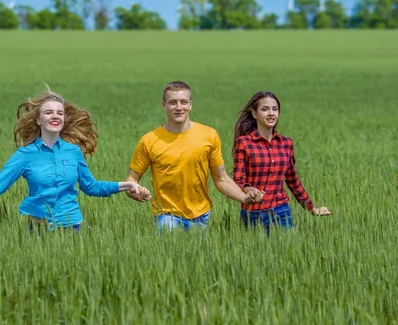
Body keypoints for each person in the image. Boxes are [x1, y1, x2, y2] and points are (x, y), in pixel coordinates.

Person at [0, 87, 150, 232]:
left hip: (72, 227)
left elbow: (91, 187)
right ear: (38, 120)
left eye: (60, 113)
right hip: (38, 229)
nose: (55, 116)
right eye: (48, 112)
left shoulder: (73, 152)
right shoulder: (24, 156)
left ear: (64, 119)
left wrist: (127, 185)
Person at [124, 81, 264, 234]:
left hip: (201, 216)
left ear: (190, 104)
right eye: (173, 102)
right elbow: (132, 179)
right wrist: (135, 191)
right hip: (167, 215)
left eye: (183, 102)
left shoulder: (209, 135)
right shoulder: (149, 140)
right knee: (169, 255)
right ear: (163, 105)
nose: (179, 107)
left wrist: (244, 198)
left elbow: (221, 178)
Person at [232, 91, 331, 235]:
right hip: (252, 214)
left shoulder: (286, 143)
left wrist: (312, 209)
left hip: (281, 211)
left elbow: (293, 181)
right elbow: (238, 180)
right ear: (255, 114)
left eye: (275, 109)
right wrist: (249, 190)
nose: (271, 113)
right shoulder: (244, 143)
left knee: (285, 253)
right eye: (265, 109)